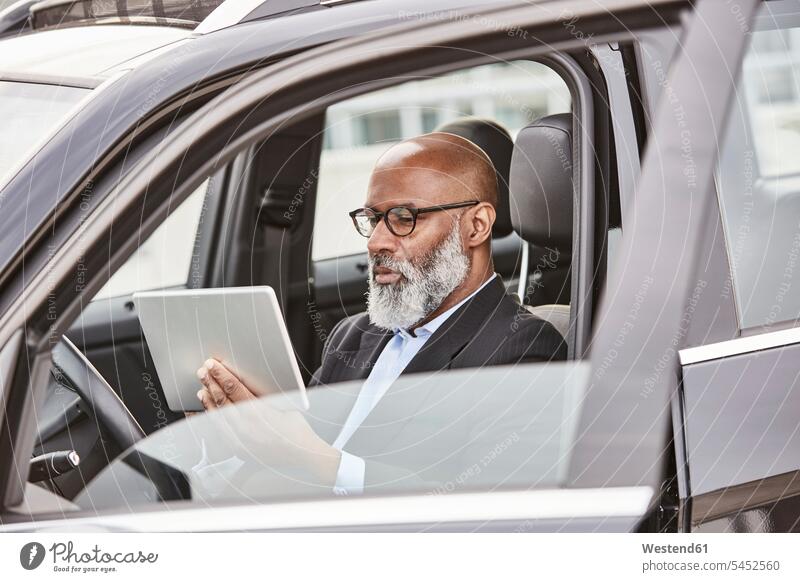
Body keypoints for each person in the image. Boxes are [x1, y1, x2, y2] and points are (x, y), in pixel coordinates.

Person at [195, 132, 566, 494]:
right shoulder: (353, 335)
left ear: (477, 226)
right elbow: (289, 458)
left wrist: (316, 460)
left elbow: (490, 509)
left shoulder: (523, 348)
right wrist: (232, 436)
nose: (375, 242)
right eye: (373, 219)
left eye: (404, 218)